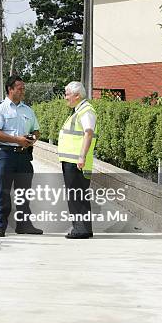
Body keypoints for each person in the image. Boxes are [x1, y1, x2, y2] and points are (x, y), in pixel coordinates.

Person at [0, 75, 43, 237]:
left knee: (24, 193)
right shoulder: (0, 109)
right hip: (5, 155)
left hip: (24, 157)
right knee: (3, 191)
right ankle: (0, 225)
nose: (23, 91)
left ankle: (24, 225)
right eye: (20, 88)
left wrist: (32, 138)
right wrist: (16, 139)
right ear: (10, 89)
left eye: (23, 88)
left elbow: (36, 130)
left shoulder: (28, 110)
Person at [57, 81, 97, 239]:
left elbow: (88, 133)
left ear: (77, 95)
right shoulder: (79, 110)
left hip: (77, 162)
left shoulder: (86, 111)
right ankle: (85, 228)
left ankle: (80, 229)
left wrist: (81, 156)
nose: (65, 97)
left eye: (67, 94)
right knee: (78, 194)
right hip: (73, 161)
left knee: (76, 195)